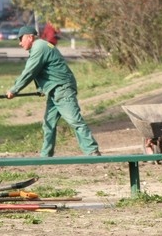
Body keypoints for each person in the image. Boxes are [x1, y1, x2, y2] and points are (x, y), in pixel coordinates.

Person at [7, 25, 101, 157]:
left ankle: (92, 151)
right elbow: (46, 70)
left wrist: (14, 89)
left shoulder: (39, 47)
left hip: (62, 89)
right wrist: (43, 88)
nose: (19, 43)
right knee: (48, 123)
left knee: (75, 120)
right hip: (55, 90)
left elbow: (30, 71)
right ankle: (46, 155)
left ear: (30, 37)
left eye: (21, 39)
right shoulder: (42, 46)